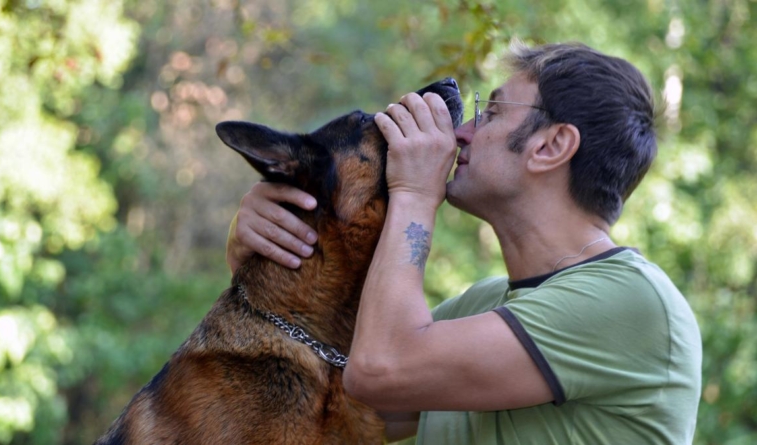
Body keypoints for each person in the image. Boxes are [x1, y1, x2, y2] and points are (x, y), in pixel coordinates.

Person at [225, 41, 702, 444]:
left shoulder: (632, 304)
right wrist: (260, 260)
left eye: (491, 112)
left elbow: (380, 370)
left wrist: (413, 194)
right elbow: (319, 406)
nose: (461, 131)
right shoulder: (482, 305)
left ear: (551, 146)